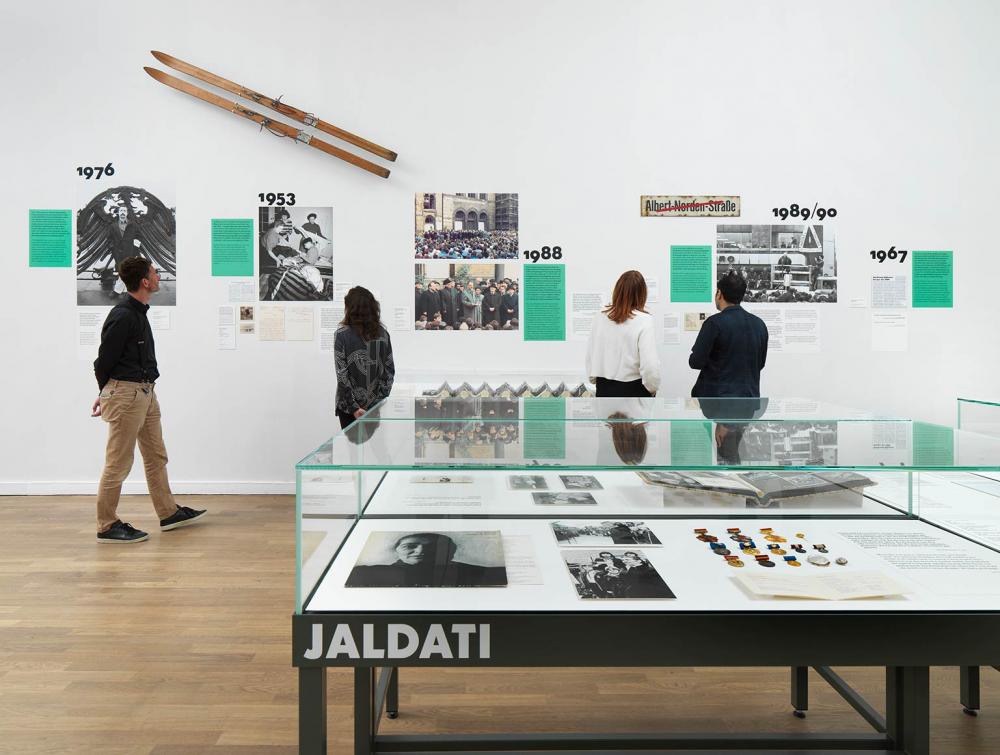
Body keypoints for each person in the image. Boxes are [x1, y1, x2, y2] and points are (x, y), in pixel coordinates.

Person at [91, 256, 206, 543]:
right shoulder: (123, 315)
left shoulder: (138, 312)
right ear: (144, 281)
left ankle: (168, 513)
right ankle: (106, 525)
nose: (158, 275)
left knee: (156, 455)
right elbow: (102, 361)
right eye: (154, 272)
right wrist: (105, 393)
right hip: (127, 394)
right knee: (118, 462)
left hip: (145, 393)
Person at [688, 270, 768, 398]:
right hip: (748, 400)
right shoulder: (759, 324)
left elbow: (696, 362)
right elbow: (760, 364)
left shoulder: (714, 323)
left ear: (719, 293)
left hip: (716, 401)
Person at [586, 270, 660, 397]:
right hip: (634, 390)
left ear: (617, 290)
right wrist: (652, 388)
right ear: (642, 293)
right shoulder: (644, 320)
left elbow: (591, 352)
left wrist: (594, 378)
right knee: (637, 418)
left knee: (605, 417)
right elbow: (650, 365)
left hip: (604, 388)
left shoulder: (600, 316)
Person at [345, 533, 506, 587]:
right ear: (396, 550)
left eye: (433, 547)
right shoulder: (365, 574)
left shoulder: (479, 573)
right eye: (410, 546)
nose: (421, 551)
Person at [334, 286, 395, 429]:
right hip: (374, 405)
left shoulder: (342, 335)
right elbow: (389, 372)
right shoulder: (382, 334)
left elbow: (342, 375)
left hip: (348, 408)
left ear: (350, 308)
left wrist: (354, 408)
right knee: (376, 448)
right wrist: (376, 404)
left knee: (352, 449)